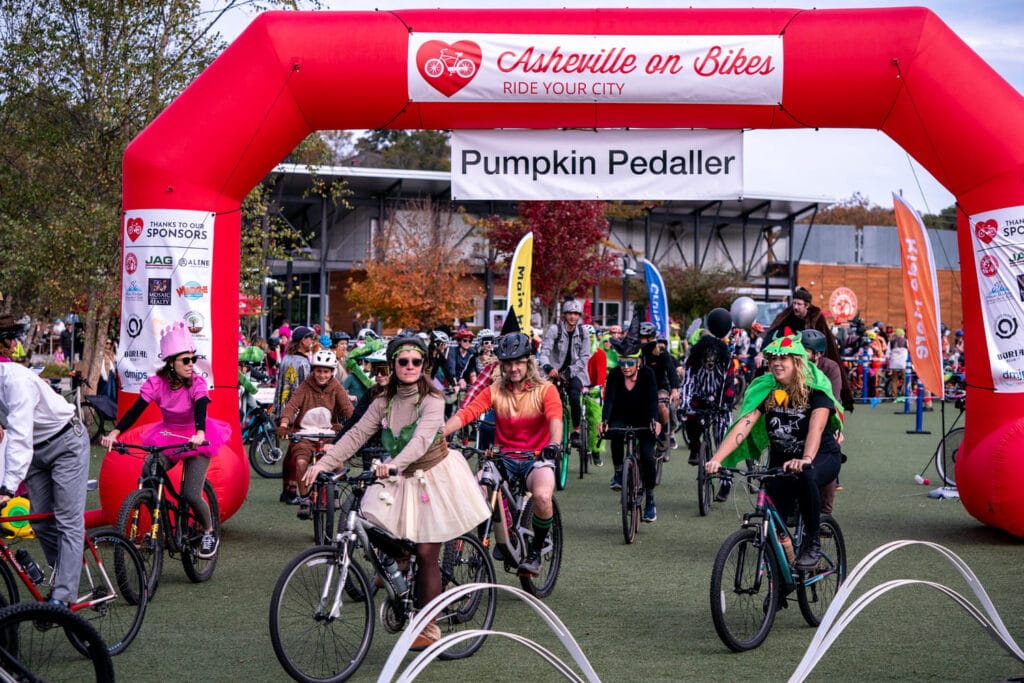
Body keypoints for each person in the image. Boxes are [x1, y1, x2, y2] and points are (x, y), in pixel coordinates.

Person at [303, 336, 488, 650]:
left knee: (429, 554)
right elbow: (357, 435)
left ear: (423, 365)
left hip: (434, 475)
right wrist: (322, 464)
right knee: (368, 518)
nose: (410, 367)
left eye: (416, 361)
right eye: (404, 361)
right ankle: (398, 563)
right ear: (393, 365)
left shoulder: (433, 398)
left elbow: (420, 441)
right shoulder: (382, 401)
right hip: (398, 474)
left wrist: (393, 466)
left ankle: (428, 627)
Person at [705, 329, 844, 571]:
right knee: (771, 514)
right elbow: (744, 424)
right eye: (773, 359)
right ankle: (780, 580)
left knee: (807, 475)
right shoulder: (767, 388)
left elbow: (816, 428)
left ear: (797, 361)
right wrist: (717, 458)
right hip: (782, 460)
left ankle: (812, 543)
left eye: (783, 358)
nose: (777, 363)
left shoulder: (816, 388)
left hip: (821, 455)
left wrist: (806, 459)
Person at [101, 322, 230, 559]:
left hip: (196, 438)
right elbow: (135, 411)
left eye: (193, 359)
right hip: (169, 435)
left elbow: (201, 407)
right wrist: (115, 433)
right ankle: (155, 519)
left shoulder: (197, 384)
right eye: (186, 360)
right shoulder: (156, 384)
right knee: (149, 469)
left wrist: (200, 433)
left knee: (191, 494)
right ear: (171, 363)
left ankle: (210, 532)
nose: (192, 364)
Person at [444, 330, 562, 576]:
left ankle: (535, 551)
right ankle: (492, 536)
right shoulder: (495, 390)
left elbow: (555, 419)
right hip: (503, 458)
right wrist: (440, 433)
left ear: (528, 362)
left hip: (536, 458)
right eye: (508, 363)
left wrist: (554, 444)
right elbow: (468, 412)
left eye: (519, 362)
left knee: (542, 496)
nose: (514, 368)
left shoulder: (546, 390)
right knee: (474, 489)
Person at [0, 317, 90, 607]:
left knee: (67, 521)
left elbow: (18, 435)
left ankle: (63, 600)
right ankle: (63, 575)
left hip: (66, 443)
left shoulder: (15, 380)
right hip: (36, 453)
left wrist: (7, 487)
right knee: (41, 523)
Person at [277, 350, 354, 519]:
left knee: (339, 464)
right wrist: (284, 423)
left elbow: (348, 409)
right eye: (318, 371)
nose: (322, 375)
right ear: (313, 370)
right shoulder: (305, 385)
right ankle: (304, 498)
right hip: (304, 434)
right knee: (301, 463)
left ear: (332, 372)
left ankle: (334, 490)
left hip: (328, 433)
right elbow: (291, 405)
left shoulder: (336, 387)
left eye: (326, 371)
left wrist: (356, 425)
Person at [760, 287, 854, 411]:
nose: (795, 307)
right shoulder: (786, 316)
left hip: (811, 359)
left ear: (807, 305)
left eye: (799, 304)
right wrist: (762, 352)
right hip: (789, 359)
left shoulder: (816, 318)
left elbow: (826, 342)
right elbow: (774, 334)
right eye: (794, 303)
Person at [601, 334, 661, 522]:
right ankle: (619, 472)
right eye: (622, 363)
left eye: (629, 363)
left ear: (638, 362)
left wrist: (654, 421)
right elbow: (609, 400)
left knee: (648, 457)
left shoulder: (648, 375)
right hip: (622, 416)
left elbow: (653, 400)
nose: (625, 367)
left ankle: (650, 499)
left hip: (644, 418)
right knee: (615, 433)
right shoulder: (615, 375)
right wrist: (604, 421)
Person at [681, 308, 737, 500]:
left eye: (713, 356)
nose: (710, 360)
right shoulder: (693, 361)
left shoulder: (727, 362)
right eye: (707, 356)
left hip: (721, 402)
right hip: (700, 399)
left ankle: (725, 482)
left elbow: (729, 386)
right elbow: (687, 383)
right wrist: (685, 403)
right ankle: (695, 447)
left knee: (723, 440)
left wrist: (724, 404)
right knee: (690, 418)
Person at [801, 328, 846, 512]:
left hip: (826, 414)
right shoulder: (794, 365)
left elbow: (833, 399)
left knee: (828, 450)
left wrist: (837, 429)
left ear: (817, 354)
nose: (799, 353)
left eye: (805, 350)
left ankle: (825, 512)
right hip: (799, 415)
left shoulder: (830, 368)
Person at [273, 325, 316, 504]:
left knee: (290, 452)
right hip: (296, 413)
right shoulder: (303, 362)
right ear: (302, 340)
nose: (311, 342)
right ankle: (291, 491)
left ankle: (286, 490)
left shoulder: (286, 359)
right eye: (309, 338)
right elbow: (306, 389)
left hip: (283, 410)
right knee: (295, 452)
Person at [538, 298, 591, 446]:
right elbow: (544, 352)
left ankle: (576, 431)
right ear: (565, 315)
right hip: (554, 373)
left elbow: (584, 357)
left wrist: (570, 371)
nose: (573, 317)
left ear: (579, 316)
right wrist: (548, 367)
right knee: (550, 402)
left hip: (575, 373)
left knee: (574, 397)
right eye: (570, 313)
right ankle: (549, 431)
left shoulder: (583, 333)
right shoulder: (555, 330)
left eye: (576, 314)